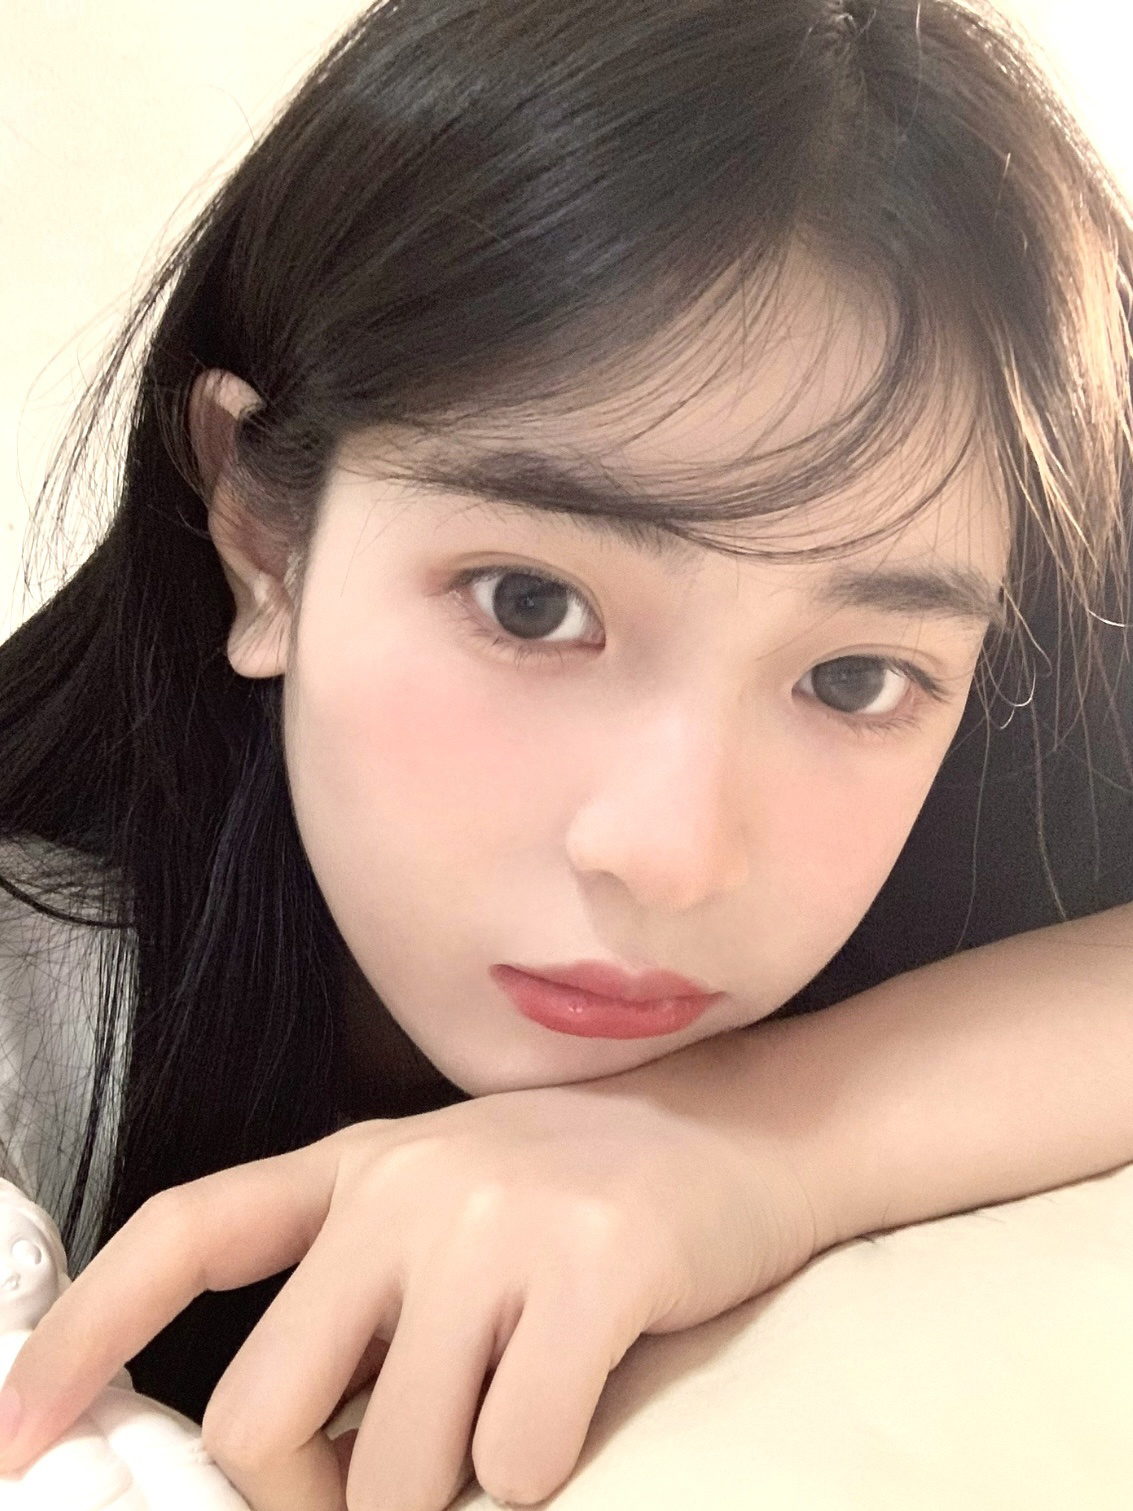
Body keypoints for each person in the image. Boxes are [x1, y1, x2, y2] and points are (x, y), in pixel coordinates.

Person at [0, 0, 1130, 1507]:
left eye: (854, 677)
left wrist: (763, 1138)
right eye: (530, 604)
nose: (670, 853)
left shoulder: (1007, 805)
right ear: (264, 535)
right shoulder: (38, 1004)